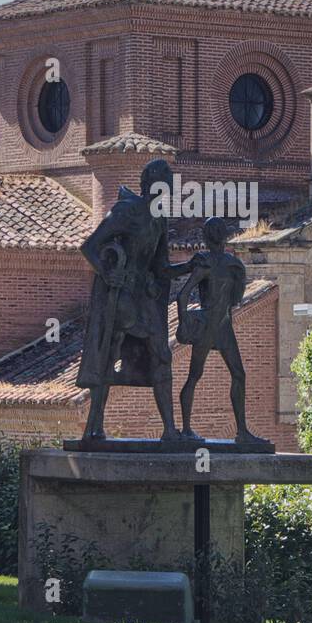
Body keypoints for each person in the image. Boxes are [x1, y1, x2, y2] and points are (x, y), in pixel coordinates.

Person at [76, 158, 197, 441]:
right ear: (149, 185)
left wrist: (191, 267)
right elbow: (90, 247)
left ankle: (169, 430)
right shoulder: (127, 210)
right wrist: (107, 273)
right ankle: (95, 426)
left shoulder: (159, 218)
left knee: (162, 354)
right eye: (162, 185)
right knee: (109, 354)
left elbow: (161, 267)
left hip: (143, 296)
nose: (164, 191)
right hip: (119, 296)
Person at [175, 216, 267, 444]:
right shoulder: (234, 264)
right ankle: (241, 432)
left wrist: (184, 321)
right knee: (237, 375)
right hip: (222, 324)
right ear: (225, 237)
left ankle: (188, 429)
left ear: (206, 238)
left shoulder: (203, 262)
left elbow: (182, 293)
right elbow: (237, 297)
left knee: (195, 376)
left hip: (209, 324)